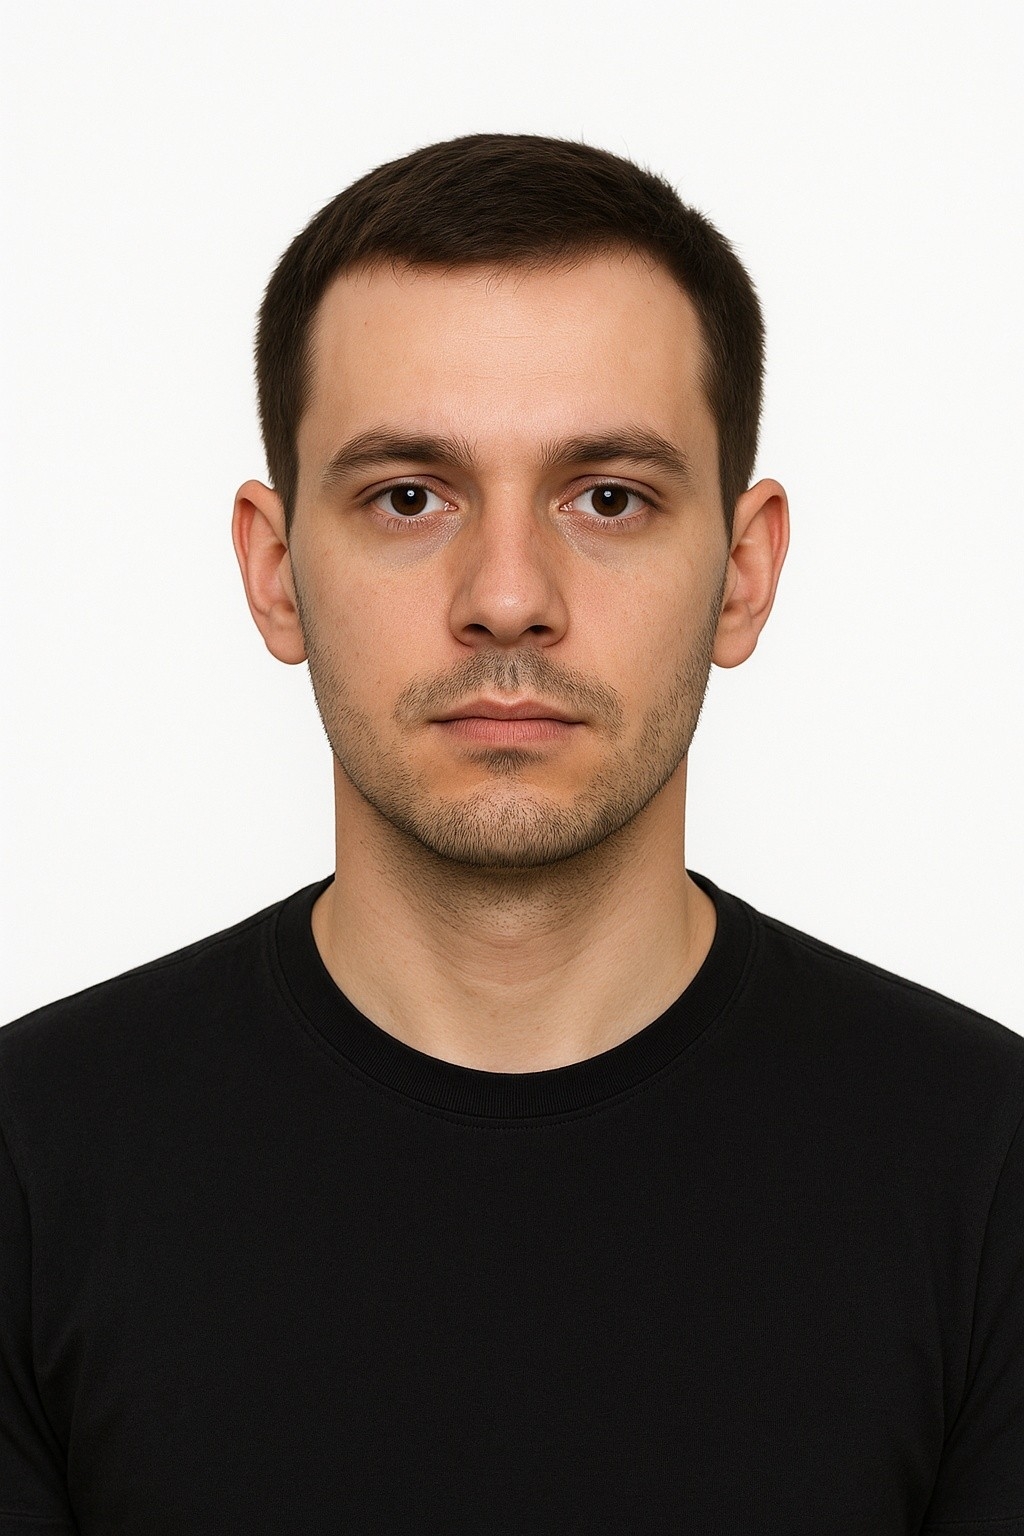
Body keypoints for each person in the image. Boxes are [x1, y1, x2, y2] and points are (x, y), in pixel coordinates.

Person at [1, 134, 1021, 1535]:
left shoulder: (989, 1173)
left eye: (609, 497)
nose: (505, 597)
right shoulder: (30, 1168)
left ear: (743, 571)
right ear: (276, 570)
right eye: (407, 496)